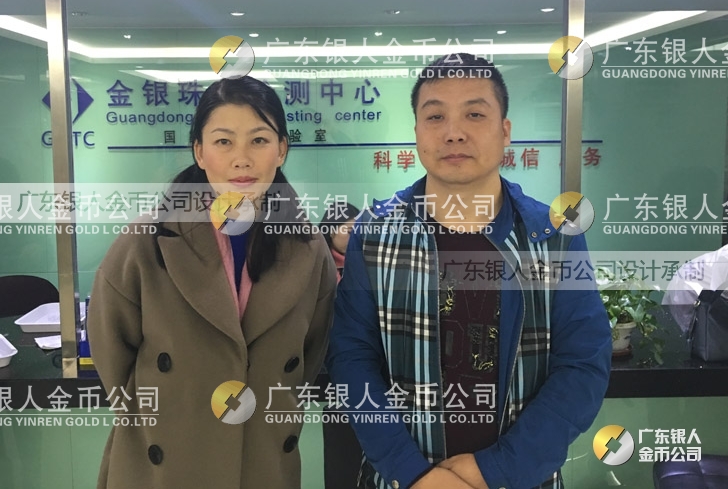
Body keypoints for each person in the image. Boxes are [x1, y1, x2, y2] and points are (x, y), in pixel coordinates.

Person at [325, 54, 612, 489]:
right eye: (435, 116)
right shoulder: (375, 235)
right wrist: (412, 473)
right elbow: (351, 358)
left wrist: (495, 471)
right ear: (417, 132)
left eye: (474, 114)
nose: (454, 132)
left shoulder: (552, 237)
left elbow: (583, 364)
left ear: (505, 131)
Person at [88, 76, 337, 489]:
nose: (242, 159)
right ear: (199, 152)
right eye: (223, 141)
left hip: (262, 459)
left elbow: (308, 357)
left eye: (259, 140)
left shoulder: (308, 249)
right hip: (165, 463)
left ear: (281, 150)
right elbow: (112, 355)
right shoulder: (146, 241)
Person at [663, 244, 728, 332]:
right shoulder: (724, 258)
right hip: (686, 288)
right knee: (698, 332)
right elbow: (717, 297)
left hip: (699, 289)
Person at [320, 202, 360, 283]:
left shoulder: (361, 262)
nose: (355, 238)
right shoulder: (318, 262)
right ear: (332, 231)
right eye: (350, 232)